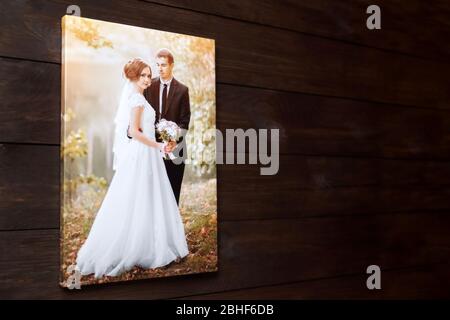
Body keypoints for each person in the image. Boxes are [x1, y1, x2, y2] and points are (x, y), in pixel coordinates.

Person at [76, 58, 189, 278]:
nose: (148, 79)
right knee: (137, 196)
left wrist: (165, 135)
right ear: (133, 77)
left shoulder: (140, 98)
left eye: (149, 75)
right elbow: (134, 131)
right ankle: (138, 245)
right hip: (143, 153)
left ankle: (149, 240)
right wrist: (158, 145)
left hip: (148, 154)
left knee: (148, 196)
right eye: (143, 75)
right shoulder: (137, 99)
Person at [144, 49, 191, 204]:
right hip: (153, 149)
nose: (160, 68)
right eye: (157, 65)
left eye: (163, 65)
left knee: (173, 192)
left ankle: (173, 227)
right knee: (153, 193)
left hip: (176, 150)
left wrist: (174, 140)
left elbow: (185, 120)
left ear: (171, 65)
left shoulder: (183, 90)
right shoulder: (149, 87)